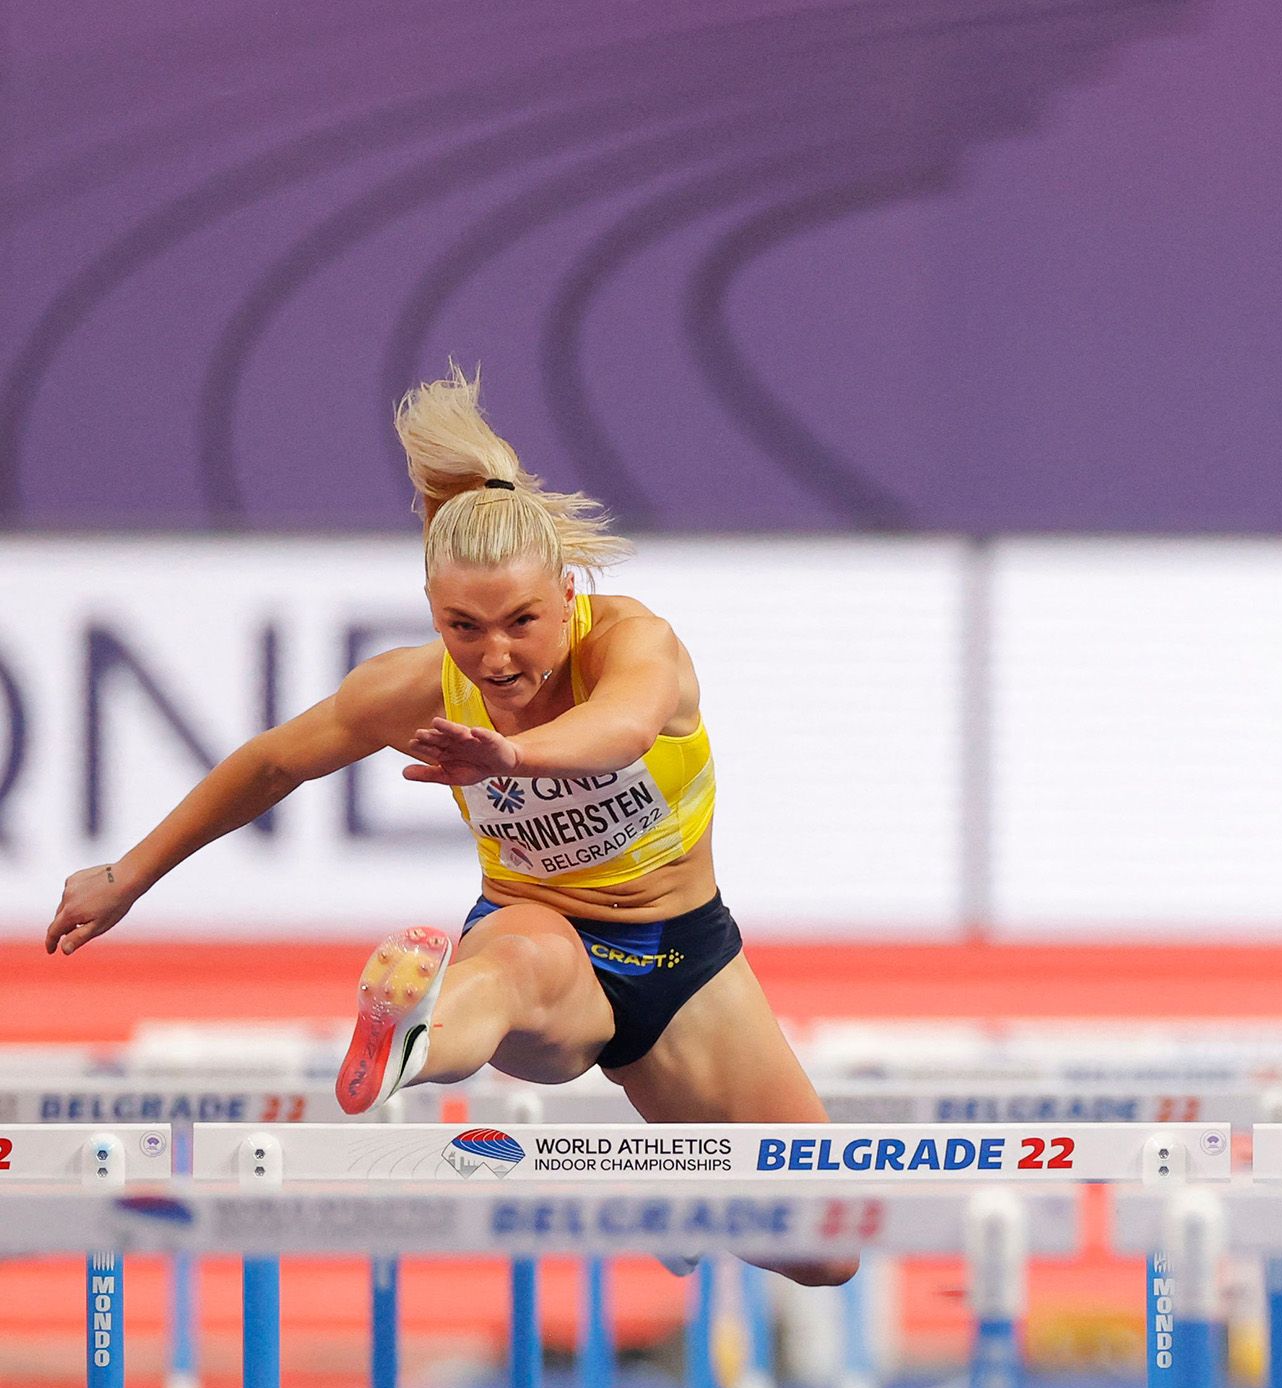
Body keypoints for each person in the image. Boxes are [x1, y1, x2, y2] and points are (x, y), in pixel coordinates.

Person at [43, 369, 848, 1284]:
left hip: (682, 953)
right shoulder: (413, 687)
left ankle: (688, 1202)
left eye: (521, 622)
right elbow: (271, 763)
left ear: (569, 590)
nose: (495, 656)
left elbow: (620, 728)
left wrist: (511, 759)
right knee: (510, 971)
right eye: (463, 626)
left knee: (824, 1247)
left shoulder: (633, 642)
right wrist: (130, 874)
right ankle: (414, 1033)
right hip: (538, 931)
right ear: (432, 610)